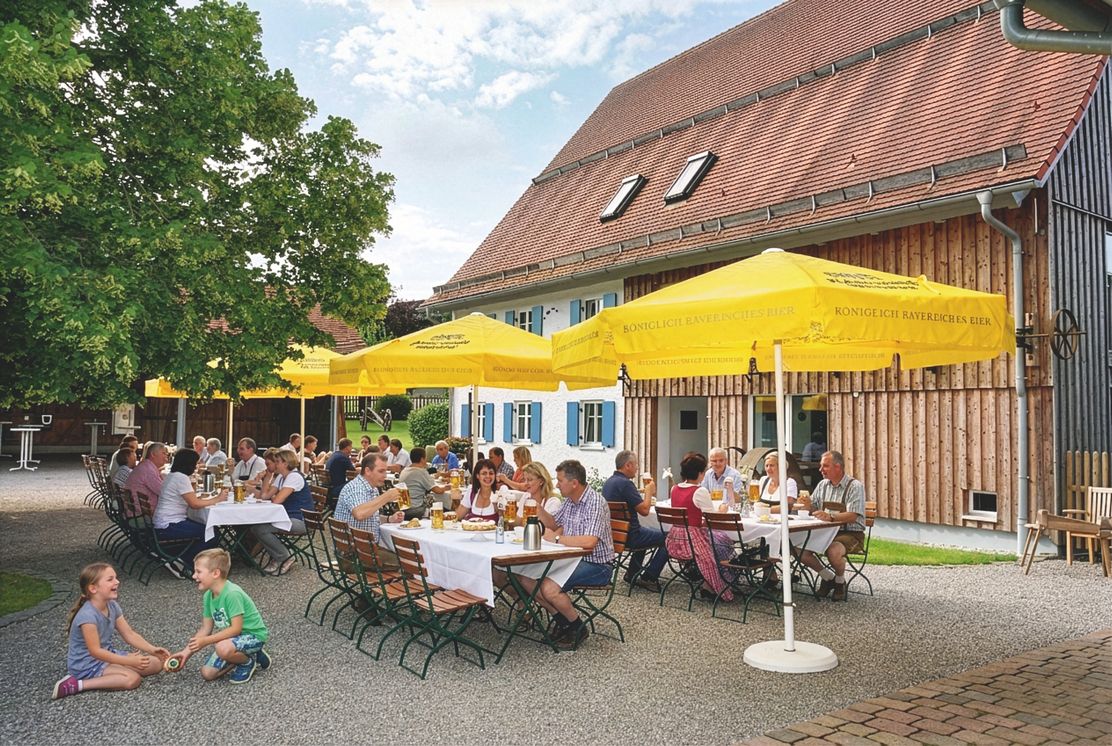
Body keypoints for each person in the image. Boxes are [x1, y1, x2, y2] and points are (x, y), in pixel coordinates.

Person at [525, 460, 614, 648]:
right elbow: (554, 524)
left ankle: (578, 627)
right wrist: (538, 510)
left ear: (574, 483)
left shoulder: (595, 503)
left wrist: (556, 540)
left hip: (597, 564)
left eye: (560, 480)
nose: (556, 484)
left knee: (548, 588)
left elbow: (589, 542)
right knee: (527, 579)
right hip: (571, 558)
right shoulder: (570, 502)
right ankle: (564, 623)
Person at [51, 562, 169, 700]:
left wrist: (152, 649)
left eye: (116, 578)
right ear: (93, 588)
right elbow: (95, 651)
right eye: (110, 579)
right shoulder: (87, 616)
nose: (117, 582)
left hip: (107, 656)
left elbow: (129, 634)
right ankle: (76, 684)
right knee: (132, 679)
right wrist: (128, 661)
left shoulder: (112, 606)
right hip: (87, 664)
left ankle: (116, 670)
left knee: (155, 664)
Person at [171, 549, 271, 685]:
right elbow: (205, 628)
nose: (194, 576)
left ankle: (247, 662)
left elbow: (236, 629)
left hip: (253, 636)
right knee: (208, 674)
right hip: (231, 640)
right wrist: (185, 653)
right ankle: (245, 655)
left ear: (216, 573)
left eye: (199, 572)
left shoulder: (232, 594)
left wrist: (206, 641)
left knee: (222, 648)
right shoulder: (208, 595)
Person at [798, 450, 866, 601]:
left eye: (825, 466)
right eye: (821, 466)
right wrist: (806, 505)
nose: (820, 470)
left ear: (838, 467)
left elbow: (853, 515)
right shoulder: (822, 485)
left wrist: (830, 517)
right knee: (797, 547)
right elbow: (814, 508)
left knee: (833, 550)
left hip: (850, 534)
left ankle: (840, 582)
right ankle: (828, 578)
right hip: (824, 532)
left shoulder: (854, 486)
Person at [666, 452, 735, 601]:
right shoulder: (699, 491)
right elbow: (711, 519)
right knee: (724, 542)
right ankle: (718, 582)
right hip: (693, 541)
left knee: (718, 539)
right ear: (700, 473)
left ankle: (708, 581)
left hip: (675, 539)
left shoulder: (674, 489)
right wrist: (722, 509)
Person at [602, 450, 668, 592]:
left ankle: (632, 573)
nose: (637, 468)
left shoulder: (609, 483)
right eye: (636, 465)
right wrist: (649, 492)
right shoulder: (626, 484)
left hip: (614, 535)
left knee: (649, 532)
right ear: (628, 465)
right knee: (670, 537)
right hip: (631, 536)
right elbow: (644, 511)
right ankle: (649, 577)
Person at [153, 449, 224, 573]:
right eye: (195, 464)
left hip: (162, 521)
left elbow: (191, 498)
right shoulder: (181, 478)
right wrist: (218, 498)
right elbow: (194, 504)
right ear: (189, 464)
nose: (196, 466)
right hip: (170, 525)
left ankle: (186, 558)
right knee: (211, 532)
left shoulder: (172, 475)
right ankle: (184, 561)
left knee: (205, 528)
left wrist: (199, 497)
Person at [250, 449, 313, 575]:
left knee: (261, 528)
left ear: (286, 463)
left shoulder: (294, 477)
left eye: (278, 461)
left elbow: (277, 500)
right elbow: (264, 496)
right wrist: (268, 477)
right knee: (257, 527)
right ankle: (280, 556)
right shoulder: (281, 477)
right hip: (287, 517)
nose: (276, 464)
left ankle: (284, 557)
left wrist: (273, 495)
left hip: (301, 520)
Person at [334, 454, 406, 547]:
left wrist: (389, 519)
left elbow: (370, 518)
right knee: (408, 559)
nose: (385, 475)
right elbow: (360, 514)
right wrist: (386, 497)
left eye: (386, 471)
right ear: (367, 471)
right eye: (381, 471)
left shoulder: (372, 488)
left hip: (363, 548)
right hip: (356, 551)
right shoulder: (356, 488)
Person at [398, 447, 447, 520]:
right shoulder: (421, 472)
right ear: (422, 459)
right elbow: (438, 491)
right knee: (443, 508)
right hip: (416, 508)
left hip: (403, 507)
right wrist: (448, 487)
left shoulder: (405, 470)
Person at [125, 441, 168, 516]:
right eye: (163, 453)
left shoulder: (146, 465)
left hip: (135, 511)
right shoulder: (148, 470)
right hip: (142, 515)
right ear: (153, 454)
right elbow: (165, 492)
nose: (166, 456)